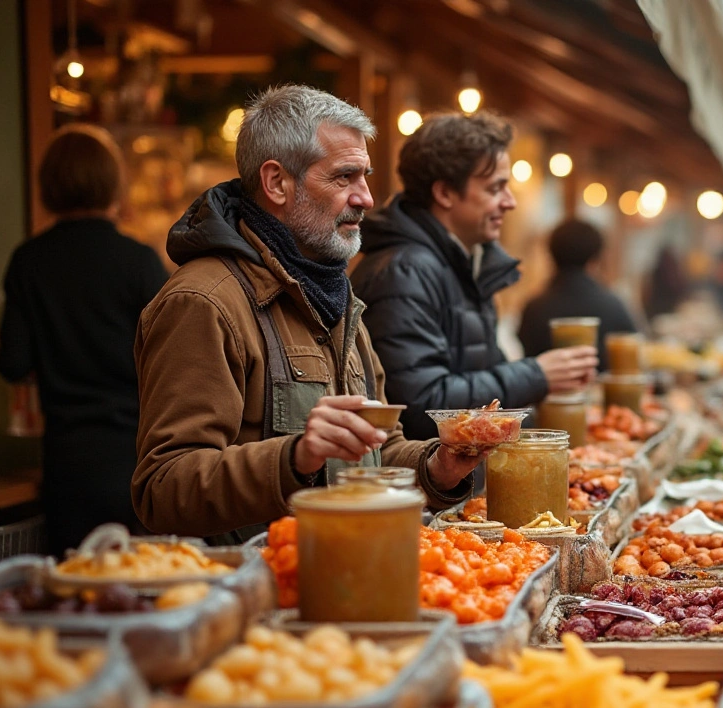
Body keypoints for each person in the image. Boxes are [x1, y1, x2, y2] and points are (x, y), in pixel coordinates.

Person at [132, 85, 482, 540]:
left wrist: (438, 466)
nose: (366, 198)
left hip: (346, 578)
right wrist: (295, 457)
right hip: (258, 594)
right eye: (344, 178)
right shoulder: (204, 302)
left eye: (365, 176)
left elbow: (379, 450)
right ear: (277, 182)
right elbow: (162, 488)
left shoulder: (336, 296)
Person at [350, 112, 597, 441]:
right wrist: (536, 376)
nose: (509, 202)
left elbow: (481, 378)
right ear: (445, 194)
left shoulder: (464, 264)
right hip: (428, 485)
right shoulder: (405, 271)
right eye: (496, 188)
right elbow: (422, 407)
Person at [0, 124, 169, 554]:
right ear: (113, 183)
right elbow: (174, 356)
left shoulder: (29, 261)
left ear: (48, 186)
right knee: (143, 590)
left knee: (75, 597)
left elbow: (13, 364)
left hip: (66, 464)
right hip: (139, 458)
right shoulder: (139, 261)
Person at [517, 219, 639, 369]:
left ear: (552, 255)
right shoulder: (613, 305)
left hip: (547, 391)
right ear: (595, 257)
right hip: (600, 391)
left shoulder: (534, 308)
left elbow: (527, 359)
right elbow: (633, 351)